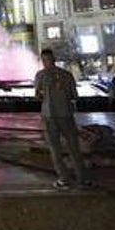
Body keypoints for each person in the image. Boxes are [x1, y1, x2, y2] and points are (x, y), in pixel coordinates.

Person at [34, 48, 90, 189]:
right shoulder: (67, 75)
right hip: (66, 114)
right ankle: (82, 179)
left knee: (55, 148)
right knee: (74, 147)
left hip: (49, 115)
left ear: (43, 60)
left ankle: (64, 179)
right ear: (54, 59)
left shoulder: (40, 75)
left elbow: (38, 96)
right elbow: (74, 96)